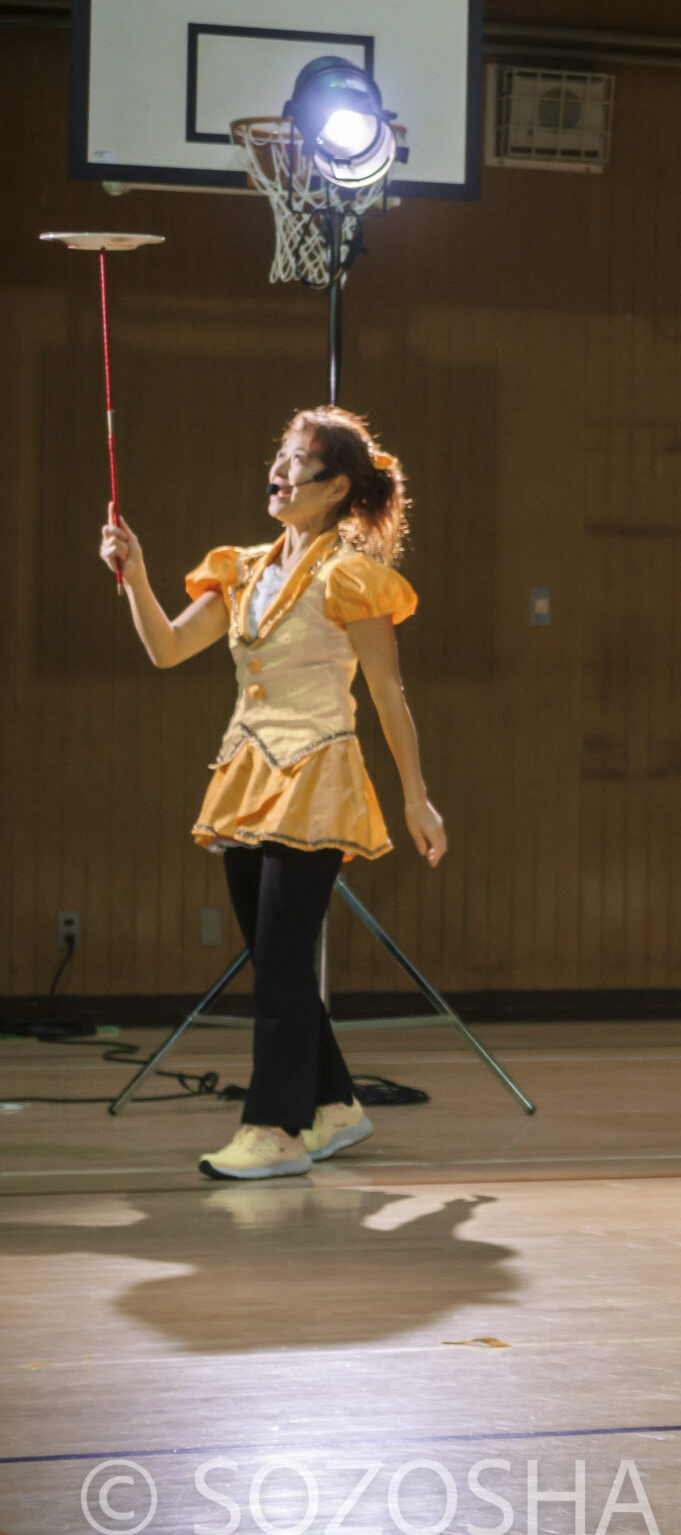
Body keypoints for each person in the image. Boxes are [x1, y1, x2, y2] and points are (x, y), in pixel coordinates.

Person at [99, 407, 446, 1181]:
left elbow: (390, 697)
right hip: (247, 776)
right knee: (275, 960)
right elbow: (166, 648)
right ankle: (335, 1105)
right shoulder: (243, 569)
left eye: (298, 464)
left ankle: (277, 1127)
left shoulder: (350, 577)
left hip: (319, 777)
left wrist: (416, 798)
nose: (280, 473)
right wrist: (138, 573)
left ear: (337, 491)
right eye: (280, 458)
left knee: (286, 960)